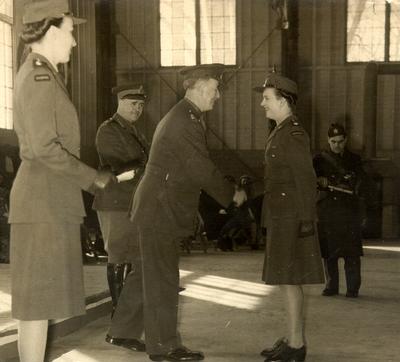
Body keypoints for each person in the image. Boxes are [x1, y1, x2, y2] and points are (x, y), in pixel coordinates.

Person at [108, 64, 244, 362]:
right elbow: (201, 168)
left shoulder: (186, 116)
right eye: (214, 88)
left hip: (157, 204)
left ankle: (122, 330)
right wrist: (231, 194)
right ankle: (164, 346)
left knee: (147, 270)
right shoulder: (185, 121)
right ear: (196, 87)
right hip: (160, 208)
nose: (218, 95)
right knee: (163, 278)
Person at [8, 1, 115, 361]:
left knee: (40, 305)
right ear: (51, 30)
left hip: (47, 202)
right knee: (37, 305)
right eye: (70, 32)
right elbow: (42, 148)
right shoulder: (39, 76)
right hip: (42, 204)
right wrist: (93, 178)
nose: (74, 41)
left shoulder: (44, 74)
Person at [253, 73, 325, 362]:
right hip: (283, 216)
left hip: (292, 219)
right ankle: (293, 338)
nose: (262, 104)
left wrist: (307, 223)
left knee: (290, 278)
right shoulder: (281, 130)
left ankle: (296, 345)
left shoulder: (293, 133)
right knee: (286, 279)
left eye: (267, 99)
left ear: (283, 101)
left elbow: (305, 180)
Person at [93, 84, 149, 318]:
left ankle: (126, 309)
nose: (137, 109)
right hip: (114, 201)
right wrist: (146, 167)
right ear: (121, 103)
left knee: (130, 254)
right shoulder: (108, 130)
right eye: (133, 104)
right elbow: (118, 164)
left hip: (131, 200)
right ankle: (119, 312)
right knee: (117, 254)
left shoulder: (133, 131)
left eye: (141, 105)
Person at [313, 123, 370, 298]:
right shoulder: (319, 160)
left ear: (345, 140)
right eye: (333, 141)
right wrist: (319, 180)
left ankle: (353, 288)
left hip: (349, 211)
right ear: (327, 140)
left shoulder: (354, 159)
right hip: (329, 211)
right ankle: (331, 286)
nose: (337, 145)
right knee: (329, 252)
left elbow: (362, 181)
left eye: (340, 141)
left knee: (351, 252)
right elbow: (310, 181)